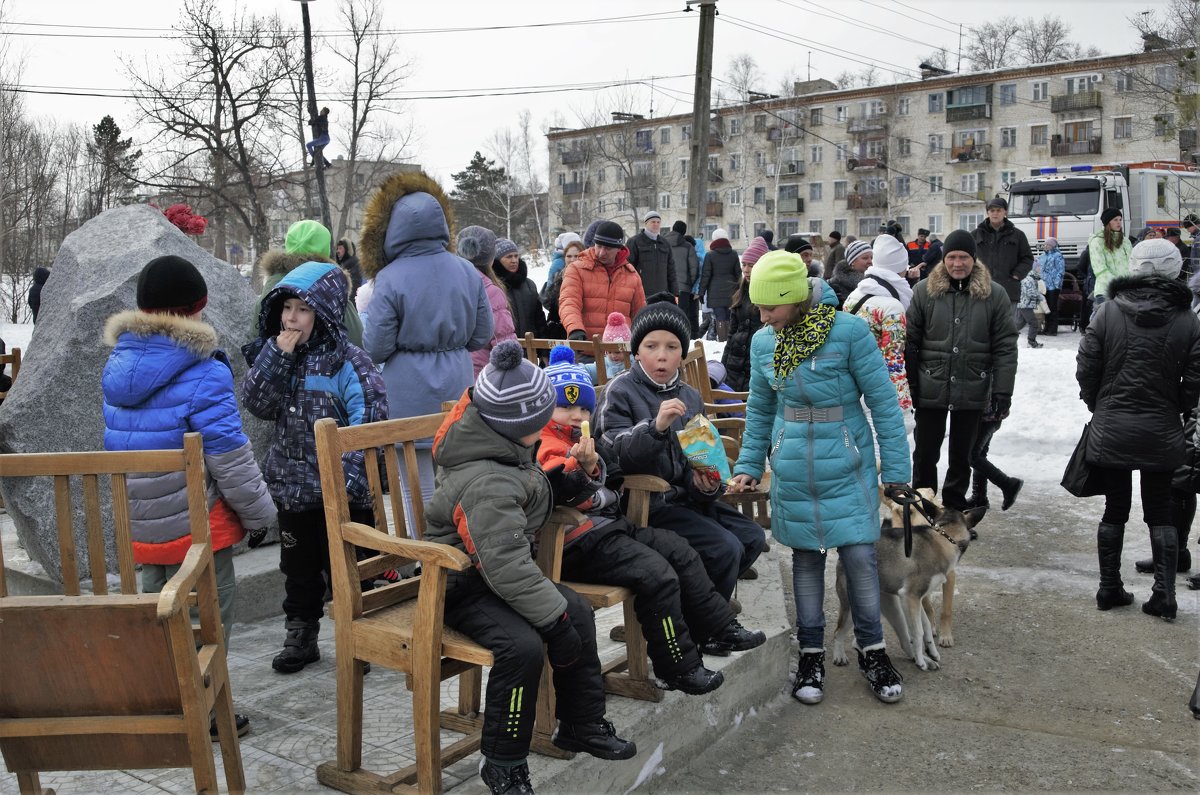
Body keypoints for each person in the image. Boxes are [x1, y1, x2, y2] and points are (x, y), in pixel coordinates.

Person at [425, 341, 636, 794]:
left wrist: (568, 480)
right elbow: (503, 564)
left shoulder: (504, 447)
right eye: (541, 418)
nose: (547, 425)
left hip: (495, 570)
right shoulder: (487, 479)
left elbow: (527, 496)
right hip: (457, 581)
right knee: (522, 646)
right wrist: (553, 623)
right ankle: (503, 762)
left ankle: (582, 722)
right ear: (520, 424)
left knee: (576, 611)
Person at [103, 255, 277, 738]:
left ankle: (166, 701)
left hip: (143, 525)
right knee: (208, 620)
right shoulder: (205, 370)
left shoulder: (119, 366)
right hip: (198, 527)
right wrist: (262, 515)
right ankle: (209, 710)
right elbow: (229, 457)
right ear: (195, 309)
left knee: (159, 616)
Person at [728, 250, 911, 706]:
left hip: (847, 463)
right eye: (759, 306)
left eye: (770, 306)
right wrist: (750, 464)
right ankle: (811, 653)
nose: (763, 315)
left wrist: (897, 470)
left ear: (795, 299)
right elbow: (760, 409)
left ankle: (873, 651)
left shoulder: (848, 332)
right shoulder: (764, 342)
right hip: (793, 465)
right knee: (806, 561)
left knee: (859, 560)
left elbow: (885, 404)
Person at [538, 346, 764, 693]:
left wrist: (600, 469)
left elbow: (613, 470)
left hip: (607, 530)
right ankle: (677, 666)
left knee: (679, 550)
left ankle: (719, 625)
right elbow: (559, 489)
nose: (575, 414)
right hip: (572, 543)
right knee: (656, 572)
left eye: (582, 407)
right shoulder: (546, 443)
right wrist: (582, 469)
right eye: (564, 406)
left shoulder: (585, 440)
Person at [241, 260, 387, 674]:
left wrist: (347, 480)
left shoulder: (348, 362)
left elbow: (368, 421)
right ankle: (301, 634)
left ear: (323, 311)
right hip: (294, 488)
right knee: (298, 568)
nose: (292, 318)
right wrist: (274, 358)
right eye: (286, 308)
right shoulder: (279, 356)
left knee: (351, 568)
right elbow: (256, 404)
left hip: (343, 489)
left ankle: (361, 638)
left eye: (302, 310)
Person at [593, 295, 766, 605]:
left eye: (672, 347)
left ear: (682, 354)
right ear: (636, 351)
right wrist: (655, 428)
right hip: (644, 505)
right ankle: (708, 620)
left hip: (685, 500)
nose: (662, 357)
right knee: (723, 547)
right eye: (651, 346)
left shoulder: (689, 396)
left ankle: (701, 602)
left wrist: (707, 483)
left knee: (751, 538)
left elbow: (701, 459)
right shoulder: (619, 391)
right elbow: (614, 455)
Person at [360, 170, 494, 524]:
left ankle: (425, 559)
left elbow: (375, 346)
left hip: (407, 390)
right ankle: (459, 549)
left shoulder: (389, 278)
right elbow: (482, 335)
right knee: (457, 477)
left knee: (413, 485)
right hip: (459, 383)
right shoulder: (467, 271)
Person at [1076, 238, 1200, 619]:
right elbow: (1195, 379)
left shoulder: (1109, 311)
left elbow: (1086, 365)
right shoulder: (1186, 318)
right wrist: (1175, 407)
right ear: (1174, 268)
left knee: (1115, 508)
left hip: (1113, 422)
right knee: (1161, 510)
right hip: (1161, 427)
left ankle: (1108, 588)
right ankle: (1164, 595)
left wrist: (1100, 403)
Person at [906, 230, 1018, 511]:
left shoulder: (994, 295)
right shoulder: (924, 292)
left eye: (964, 257)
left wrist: (1003, 390)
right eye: (952, 257)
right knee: (925, 454)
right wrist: (912, 384)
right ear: (944, 260)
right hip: (931, 385)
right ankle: (925, 509)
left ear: (973, 259)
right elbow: (911, 342)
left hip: (973, 385)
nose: (958, 264)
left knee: (962, 456)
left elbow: (1006, 345)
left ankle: (954, 512)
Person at [252, 219, 364, 347]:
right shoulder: (329, 288)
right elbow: (357, 340)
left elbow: (254, 338)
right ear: (326, 251)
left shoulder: (271, 288)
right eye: (287, 307)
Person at [842, 235, 914, 418]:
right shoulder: (893, 307)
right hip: (879, 396)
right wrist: (904, 408)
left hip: (851, 389)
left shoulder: (855, 295)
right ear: (899, 269)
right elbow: (894, 362)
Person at [560, 221, 646, 341]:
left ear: (619, 249)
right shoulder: (576, 269)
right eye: (598, 246)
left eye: (608, 248)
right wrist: (575, 329)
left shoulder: (632, 275)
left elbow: (640, 314)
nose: (601, 253)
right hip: (586, 348)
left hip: (620, 352)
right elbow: (569, 302)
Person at [457, 226, 518, 377]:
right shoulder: (490, 291)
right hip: (485, 376)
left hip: (453, 371)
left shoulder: (447, 284)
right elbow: (505, 345)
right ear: (491, 257)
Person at [972, 197, 1034, 306]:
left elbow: (1027, 258)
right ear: (987, 213)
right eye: (992, 210)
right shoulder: (975, 235)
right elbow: (967, 257)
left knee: (1007, 323)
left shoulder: (1018, 235)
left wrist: (1017, 275)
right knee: (982, 322)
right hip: (981, 290)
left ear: (1005, 212)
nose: (995, 213)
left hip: (1009, 291)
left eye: (998, 210)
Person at [720, 247, 764, 392]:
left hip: (754, 367)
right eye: (744, 264)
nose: (746, 269)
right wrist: (723, 367)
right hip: (734, 366)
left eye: (751, 265)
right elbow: (731, 335)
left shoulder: (767, 296)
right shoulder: (740, 293)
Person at [492, 238, 548, 340]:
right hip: (504, 348)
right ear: (497, 260)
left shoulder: (529, 285)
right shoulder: (493, 287)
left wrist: (544, 352)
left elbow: (539, 319)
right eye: (509, 257)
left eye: (516, 256)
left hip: (530, 349)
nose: (514, 260)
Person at [700, 229, 744, 342]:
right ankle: (730, 340)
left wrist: (701, 292)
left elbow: (706, 275)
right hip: (731, 291)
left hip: (715, 292)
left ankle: (722, 339)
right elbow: (738, 273)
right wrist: (742, 289)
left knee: (720, 316)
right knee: (730, 316)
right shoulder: (733, 254)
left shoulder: (710, 255)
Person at [1088, 208, 1132, 315]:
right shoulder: (1097, 241)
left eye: (1120, 219)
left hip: (1127, 291)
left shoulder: (1126, 241)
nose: (1119, 222)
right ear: (1108, 222)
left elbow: (1132, 264)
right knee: (1107, 325)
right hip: (1106, 291)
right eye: (1115, 220)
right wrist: (1119, 285)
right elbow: (1100, 270)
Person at [626, 210, 678, 299]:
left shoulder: (665, 243)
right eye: (653, 222)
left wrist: (675, 293)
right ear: (646, 223)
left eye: (658, 222)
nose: (656, 224)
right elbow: (628, 268)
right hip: (642, 293)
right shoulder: (634, 242)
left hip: (663, 293)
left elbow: (671, 270)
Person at [666, 220, 701, 336]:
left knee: (667, 314)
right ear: (684, 232)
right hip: (683, 288)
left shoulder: (663, 244)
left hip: (666, 287)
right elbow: (694, 268)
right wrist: (689, 283)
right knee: (682, 315)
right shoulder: (688, 246)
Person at [543, 240, 583, 340]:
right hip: (560, 334)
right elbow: (552, 311)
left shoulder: (589, 279)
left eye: (576, 256)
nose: (572, 260)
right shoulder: (558, 278)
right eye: (569, 256)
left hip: (580, 333)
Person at [584, 311, 632, 384]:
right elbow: (591, 370)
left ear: (628, 349)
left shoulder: (634, 363)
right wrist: (579, 368)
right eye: (609, 352)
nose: (613, 356)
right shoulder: (604, 362)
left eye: (617, 352)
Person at [829, 239, 872, 308]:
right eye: (865, 258)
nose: (870, 261)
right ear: (852, 262)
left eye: (872, 258)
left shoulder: (875, 283)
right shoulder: (835, 285)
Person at [1038, 238, 1066, 336]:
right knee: (1045, 307)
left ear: (1053, 246)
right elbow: (1038, 268)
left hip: (1053, 287)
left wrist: (1057, 283)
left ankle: (1053, 329)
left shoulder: (1058, 256)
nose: (1045, 246)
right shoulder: (1042, 256)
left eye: (1048, 245)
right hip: (1043, 286)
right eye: (1045, 245)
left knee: (1052, 307)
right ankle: (1046, 328)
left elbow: (1060, 270)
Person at [1014, 263, 1045, 348]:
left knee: (1019, 324)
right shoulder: (1028, 279)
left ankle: (1003, 334)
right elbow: (1029, 292)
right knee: (1034, 323)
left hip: (1025, 304)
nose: (1040, 268)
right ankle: (1031, 342)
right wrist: (1040, 296)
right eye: (1038, 267)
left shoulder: (1033, 278)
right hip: (1025, 305)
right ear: (1034, 268)